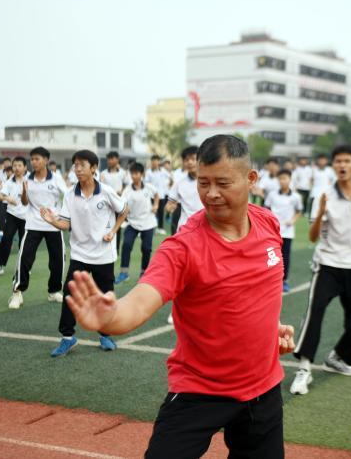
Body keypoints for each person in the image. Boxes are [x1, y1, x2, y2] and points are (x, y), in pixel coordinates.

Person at [64, 134, 295, 458]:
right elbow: (142, 300)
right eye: (203, 183)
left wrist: (269, 328)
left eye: (222, 183)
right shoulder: (183, 247)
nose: (211, 194)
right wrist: (111, 318)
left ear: (251, 179)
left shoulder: (268, 223)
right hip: (201, 390)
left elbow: (256, 291)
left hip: (263, 388)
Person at [291, 145, 351, 395]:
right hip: (328, 265)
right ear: (333, 166)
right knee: (315, 314)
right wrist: (320, 213)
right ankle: (304, 369)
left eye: (347, 161)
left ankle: (337, 358)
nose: (342, 165)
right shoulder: (323, 195)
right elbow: (314, 236)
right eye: (338, 161)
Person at [40, 150, 127, 355]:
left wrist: (113, 232)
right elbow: (66, 223)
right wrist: (53, 221)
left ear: (94, 168)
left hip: (104, 254)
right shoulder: (70, 194)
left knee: (105, 297)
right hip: (79, 253)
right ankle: (67, 337)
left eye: (82, 165)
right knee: (70, 293)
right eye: (75, 165)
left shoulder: (106, 191)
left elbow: (124, 210)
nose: (77, 169)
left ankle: (105, 335)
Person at [8, 147, 68, 309]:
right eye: (32, 159)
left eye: (37, 159)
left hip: (53, 225)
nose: (34, 162)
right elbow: (25, 202)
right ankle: (17, 292)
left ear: (46, 160)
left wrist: (60, 217)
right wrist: (25, 192)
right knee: (25, 258)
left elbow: (68, 196)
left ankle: (54, 291)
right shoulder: (27, 179)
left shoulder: (56, 179)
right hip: (33, 223)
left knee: (57, 261)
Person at [116, 162, 158, 284]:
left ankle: (144, 272)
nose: (134, 176)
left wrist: (155, 205)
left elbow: (156, 195)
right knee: (127, 245)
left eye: (136, 173)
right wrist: (124, 208)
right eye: (132, 173)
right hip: (132, 222)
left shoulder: (149, 187)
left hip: (148, 222)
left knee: (146, 248)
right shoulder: (127, 190)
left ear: (142, 174)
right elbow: (122, 204)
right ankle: (124, 273)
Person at [0, 157, 28, 278]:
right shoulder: (10, 182)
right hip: (12, 215)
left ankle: (23, 267)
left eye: (19, 165)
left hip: (27, 217)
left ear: (25, 167)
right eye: (15, 165)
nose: (16, 168)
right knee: (6, 240)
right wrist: (7, 198)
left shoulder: (30, 180)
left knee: (25, 243)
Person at [264, 169, 303, 293]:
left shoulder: (296, 197)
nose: (282, 181)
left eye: (285, 178)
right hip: (272, 232)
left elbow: (298, 211)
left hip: (287, 232)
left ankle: (284, 281)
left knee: (285, 257)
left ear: (290, 179)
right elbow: (267, 209)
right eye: (280, 179)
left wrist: (292, 220)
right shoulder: (272, 194)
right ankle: (270, 280)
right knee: (271, 256)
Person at [100, 151, 129, 251]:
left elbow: (128, 185)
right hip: (107, 205)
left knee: (118, 227)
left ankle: (116, 249)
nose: (110, 161)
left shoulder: (123, 173)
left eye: (112, 158)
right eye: (108, 159)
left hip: (119, 203)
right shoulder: (103, 173)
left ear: (117, 159)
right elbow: (101, 187)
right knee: (105, 226)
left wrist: (122, 192)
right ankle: (105, 246)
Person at [145, 155, 169, 235]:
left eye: (156, 161)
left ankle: (160, 228)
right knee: (151, 212)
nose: (155, 163)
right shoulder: (148, 172)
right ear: (151, 162)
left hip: (161, 195)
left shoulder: (163, 171)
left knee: (161, 212)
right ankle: (150, 228)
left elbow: (171, 178)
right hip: (151, 196)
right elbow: (146, 183)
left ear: (159, 162)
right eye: (153, 161)